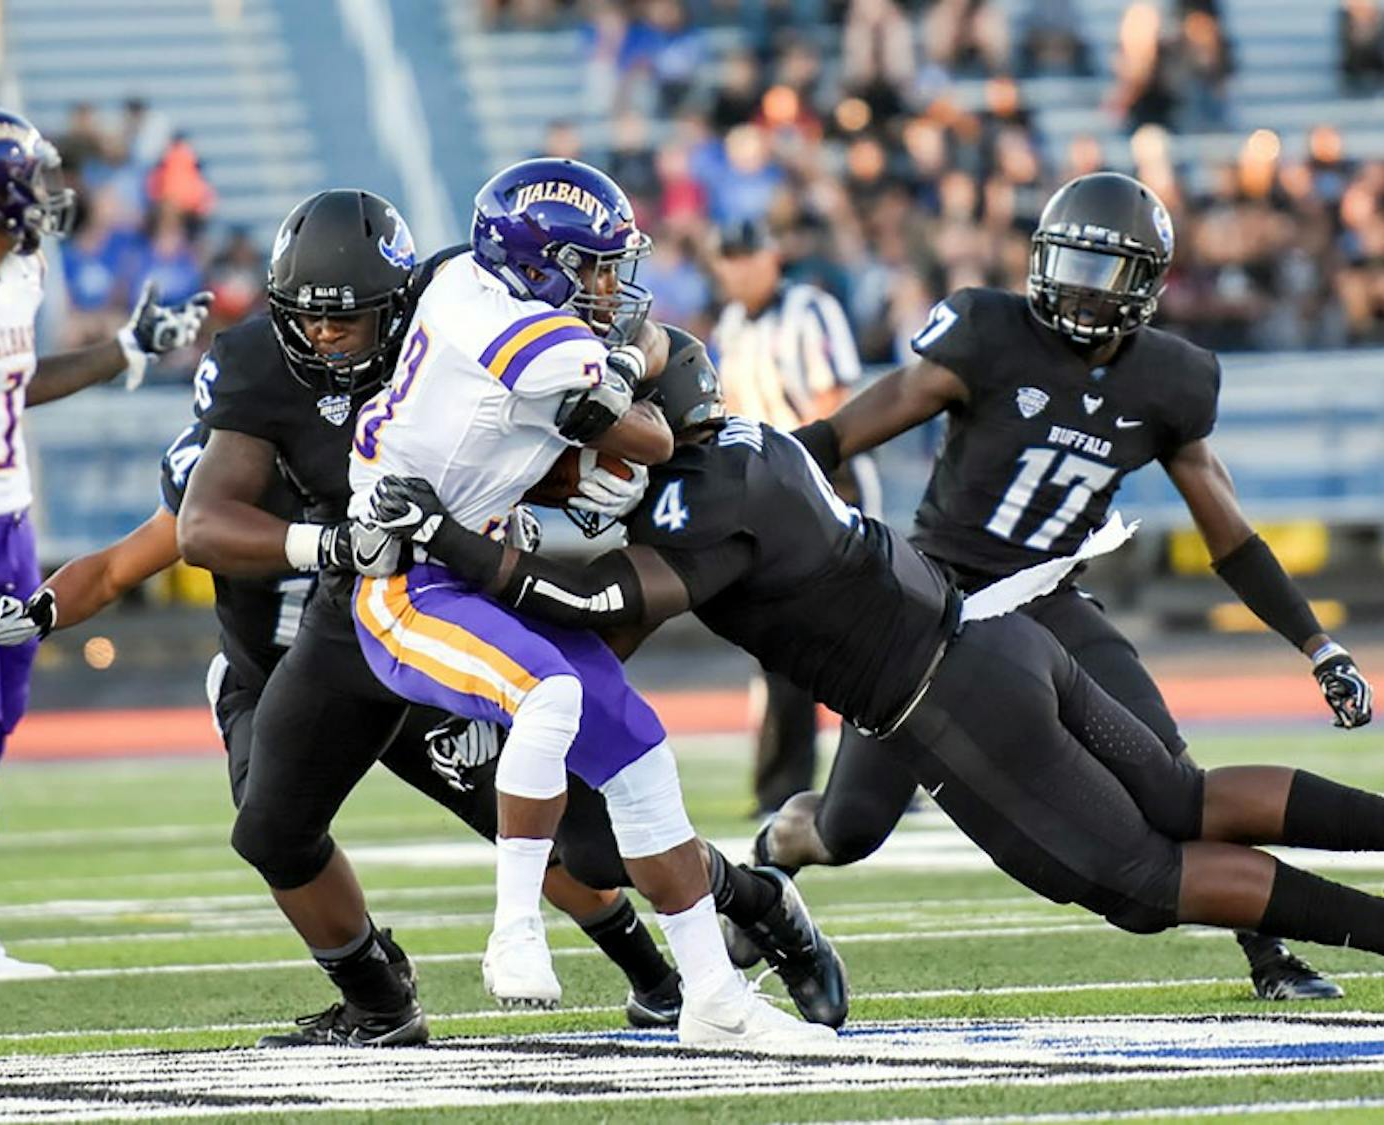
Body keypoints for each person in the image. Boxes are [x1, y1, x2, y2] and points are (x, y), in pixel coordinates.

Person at [365, 330, 1384, 986]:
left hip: (948, 700)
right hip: (998, 639)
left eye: (619, 424)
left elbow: (600, 597)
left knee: (1138, 880)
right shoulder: (760, 447)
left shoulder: (701, 496)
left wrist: (453, 543)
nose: (606, 444)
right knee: (1182, 798)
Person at [178, 187, 841, 1048]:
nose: (323, 337)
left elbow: (589, 392)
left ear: (401, 298)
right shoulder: (275, 357)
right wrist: (333, 545)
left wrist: (582, 470)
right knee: (271, 826)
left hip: (469, 574)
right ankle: (383, 1000)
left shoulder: (455, 300)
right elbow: (200, 523)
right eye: (305, 319)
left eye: (348, 320)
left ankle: (743, 914)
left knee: (597, 840)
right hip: (365, 602)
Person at [754, 171, 1373, 1002]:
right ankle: (773, 851)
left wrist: (1316, 641)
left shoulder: (1170, 380)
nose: (1082, 289)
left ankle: (1270, 951)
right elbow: (837, 434)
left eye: (1106, 270)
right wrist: (743, 482)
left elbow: (1230, 534)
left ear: (1147, 284)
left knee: (1178, 788)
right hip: (935, 607)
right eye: (1070, 263)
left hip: (1048, 596)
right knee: (851, 825)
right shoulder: (988, 333)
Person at [0, 415, 689, 1031]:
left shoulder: (385, 446)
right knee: (273, 834)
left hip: (385, 662)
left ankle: (658, 978)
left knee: (537, 827)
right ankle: (376, 993)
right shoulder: (216, 474)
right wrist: (43, 609)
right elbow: (124, 563)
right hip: (269, 683)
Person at [0, 107, 211, 990]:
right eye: (33, 178)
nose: (49, 193)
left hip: (9, 527)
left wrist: (127, 351)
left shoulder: (19, 270)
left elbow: (19, 384)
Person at [708, 218, 878, 815]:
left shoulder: (811, 310)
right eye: (726, 259)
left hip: (830, 482)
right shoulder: (730, 326)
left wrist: (800, 471)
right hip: (765, 495)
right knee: (780, 641)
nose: (736, 269)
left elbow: (836, 401)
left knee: (867, 636)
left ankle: (884, 779)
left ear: (771, 257)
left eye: (745, 256)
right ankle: (782, 786)